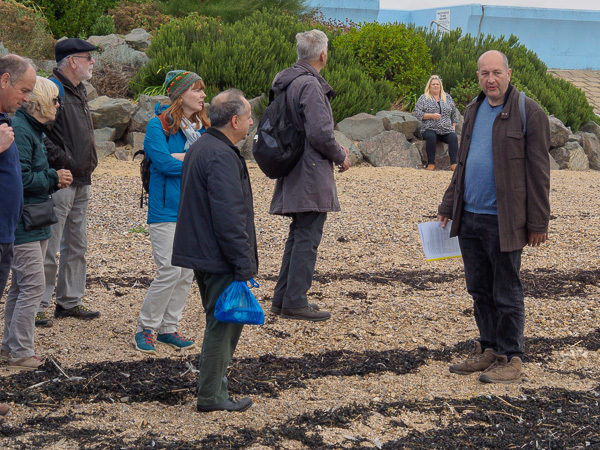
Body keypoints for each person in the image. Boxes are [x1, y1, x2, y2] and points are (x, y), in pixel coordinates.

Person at [437, 50, 550, 384]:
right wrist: (447, 205)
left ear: (509, 74)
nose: (491, 79)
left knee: (507, 291)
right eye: (485, 73)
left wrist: (538, 222)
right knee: (479, 290)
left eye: (496, 73)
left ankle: (512, 357)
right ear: (478, 77)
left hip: (504, 220)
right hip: (469, 217)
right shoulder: (472, 110)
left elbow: (539, 172)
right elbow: (463, 166)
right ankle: (490, 349)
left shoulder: (530, 112)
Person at [172, 89, 257, 413]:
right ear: (234, 121)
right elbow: (228, 216)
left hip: (203, 252)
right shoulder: (220, 155)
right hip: (217, 256)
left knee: (217, 322)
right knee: (223, 325)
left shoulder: (203, 146)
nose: (251, 122)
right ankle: (211, 396)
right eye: (248, 117)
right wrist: (243, 265)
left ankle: (213, 390)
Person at [269, 29, 350, 322]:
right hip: (310, 170)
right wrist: (340, 155)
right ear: (323, 55)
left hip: (293, 166)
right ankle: (294, 301)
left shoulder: (288, 82)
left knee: (299, 234)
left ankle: (283, 299)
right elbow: (320, 133)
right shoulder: (311, 86)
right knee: (307, 237)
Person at [133, 70, 209, 355]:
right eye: (197, 90)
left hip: (192, 209)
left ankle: (168, 328)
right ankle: (146, 328)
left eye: (202, 90)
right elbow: (163, 164)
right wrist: (191, 160)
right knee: (169, 269)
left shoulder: (201, 126)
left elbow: (208, 162)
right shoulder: (157, 126)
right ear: (180, 95)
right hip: (164, 210)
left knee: (187, 271)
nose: (203, 95)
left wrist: (183, 158)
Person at [2, 77, 73, 370]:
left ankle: (10, 347)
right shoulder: (19, 128)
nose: (58, 106)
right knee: (32, 285)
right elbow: (21, 179)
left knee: (22, 286)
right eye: (54, 99)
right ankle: (20, 351)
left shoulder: (32, 129)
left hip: (35, 219)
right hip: (24, 223)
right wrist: (54, 178)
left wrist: (51, 179)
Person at [39, 38, 100, 322]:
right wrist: (63, 162)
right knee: (49, 245)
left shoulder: (79, 90)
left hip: (81, 179)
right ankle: (38, 304)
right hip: (60, 180)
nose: (92, 63)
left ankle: (69, 302)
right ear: (72, 61)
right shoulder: (53, 90)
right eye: (88, 58)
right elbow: (39, 135)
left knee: (77, 243)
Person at [0, 53, 36, 416]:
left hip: (5, 233)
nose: (27, 98)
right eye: (24, 89)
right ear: (3, 81)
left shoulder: (7, 120)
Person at [413, 75, 460, 171]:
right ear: (429, 86)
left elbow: (454, 113)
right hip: (429, 128)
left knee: (453, 137)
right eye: (433, 84)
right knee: (431, 136)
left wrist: (453, 126)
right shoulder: (423, 98)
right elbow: (417, 113)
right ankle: (431, 163)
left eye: (437, 84)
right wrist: (431, 116)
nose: (435, 86)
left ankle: (454, 164)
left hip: (445, 129)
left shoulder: (447, 97)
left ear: (440, 86)